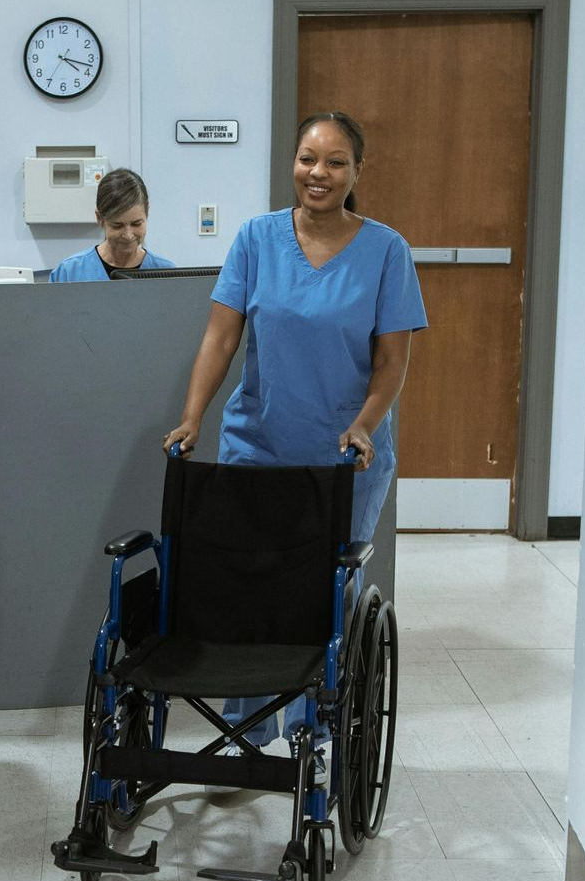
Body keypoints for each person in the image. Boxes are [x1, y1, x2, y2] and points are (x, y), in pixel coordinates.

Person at [161, 111, 427, 774]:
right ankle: (247, 725)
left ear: (356, 173)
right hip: (261, 444)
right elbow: (221, 337)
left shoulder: (386, 250)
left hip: (345, 454)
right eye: (309, 158)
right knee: (252, 582)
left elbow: (393, 361)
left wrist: (366, 421)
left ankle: (314, 728)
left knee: (323, 590)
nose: (319, 173)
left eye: (336, 162)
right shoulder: (257, 239)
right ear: (293, 163)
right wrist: (194, 415)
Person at [48, 168, 178, 281]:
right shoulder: (68, 273)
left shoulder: (167, 274)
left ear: (147, 213)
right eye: (117, 225)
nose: (128, 235)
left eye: (136, 224)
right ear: (99, 218)